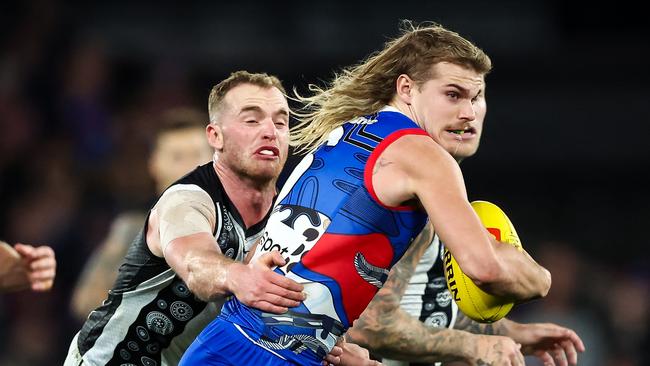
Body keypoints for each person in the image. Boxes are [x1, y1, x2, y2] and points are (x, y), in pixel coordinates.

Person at [181, 21, 552, 366]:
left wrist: (322, 337)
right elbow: (485, 269)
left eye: (477, 97)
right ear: (407, 89)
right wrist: (540, 279)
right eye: (452, 95)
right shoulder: (423, 156)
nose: (469, 113)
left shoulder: (349, 133)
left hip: (226, 342)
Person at [63, 71, 307, 366]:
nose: (270, 131)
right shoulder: (185, 200)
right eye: (252, 120)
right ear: (216, 137)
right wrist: (237, 276)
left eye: (280, 122)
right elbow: (195, 263)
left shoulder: (290, 218)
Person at [347, 228, 585, 366]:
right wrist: (472, 346)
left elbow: (424, 306)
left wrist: (511, 333)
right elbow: (368, 326)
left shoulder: (442, 206)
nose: (462, 136)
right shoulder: (404, 200)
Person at [70, 107, 214, 321]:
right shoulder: (132, 230)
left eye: (197, 155)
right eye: (177, 157)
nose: (189, 167)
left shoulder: (245, 227)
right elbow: (85, 301)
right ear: (154, 164)